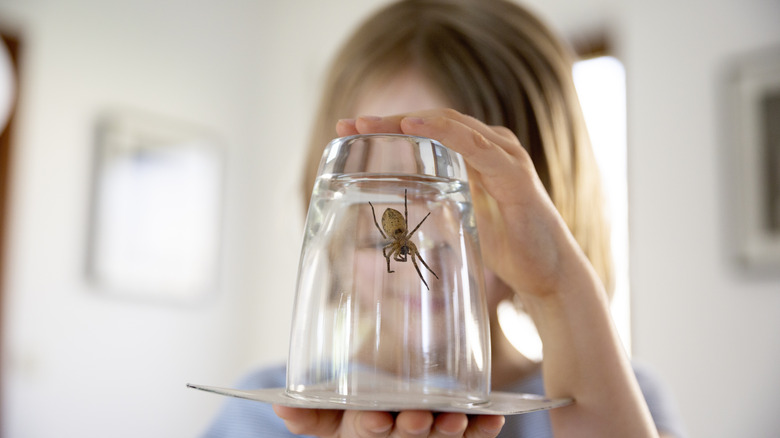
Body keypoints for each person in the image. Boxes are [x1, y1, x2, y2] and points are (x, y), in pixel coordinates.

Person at [203, 0, 687, 436]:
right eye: (388, 185)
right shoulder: (261, 418)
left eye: (476, 192)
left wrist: (561, 286)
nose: (436, 238)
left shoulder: (617, 397)